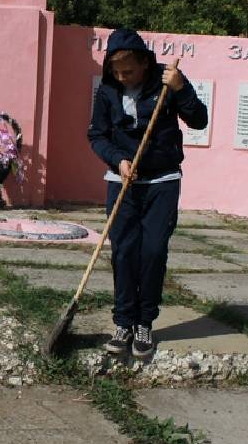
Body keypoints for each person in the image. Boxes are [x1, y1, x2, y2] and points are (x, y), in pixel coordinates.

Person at [87, 28, 208, 358]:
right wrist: (118, 160)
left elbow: (199, 120)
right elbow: (97, 135)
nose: (122, 77)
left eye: (128, 71)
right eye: (116, 71)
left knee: (153, 252)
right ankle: (123, 322)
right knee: (124, 253)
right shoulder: (107, 92)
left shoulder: (168, 82)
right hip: (121, 182)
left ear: (144, 63)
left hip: (162, 183)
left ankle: (145, 323)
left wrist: (182, 91)